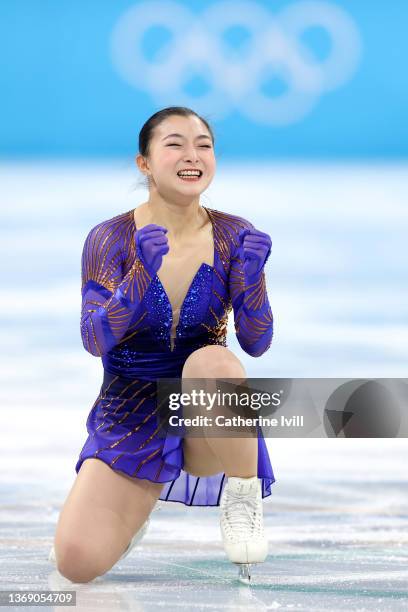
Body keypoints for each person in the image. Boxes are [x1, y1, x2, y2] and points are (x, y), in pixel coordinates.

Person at [49, 106, 275, 584]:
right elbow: (94, 339)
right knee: (76, 565)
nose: (192, 156)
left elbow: (256, 343)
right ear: (144, 163)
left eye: (203, 145)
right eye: (175, 144)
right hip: (128, 412)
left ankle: (242, 497)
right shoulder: (110, 238)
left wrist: (251, 282)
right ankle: (133, 513)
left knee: (212, 361)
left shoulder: (234, 234)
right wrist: (138, 279)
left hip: (204, 416)